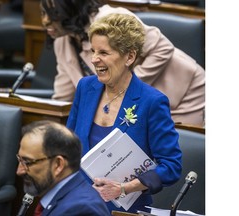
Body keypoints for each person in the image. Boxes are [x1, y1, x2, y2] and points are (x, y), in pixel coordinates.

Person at [66, 13, 182, 214]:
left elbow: (171, 166)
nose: (94, 59)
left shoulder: (152, 101)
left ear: (129, 56)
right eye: (93, 51)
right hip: (78, 203)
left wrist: (123, 188)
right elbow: (67, 145)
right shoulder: (86, 87)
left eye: (103, 52)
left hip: (122, 209)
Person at [40, 0, 205, 126]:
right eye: (42, 13)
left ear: (72, 6)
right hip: (143, 106)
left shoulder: (110, 19)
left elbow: (162, 48)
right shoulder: (63, 42)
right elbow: (64, 95)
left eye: (53, 12)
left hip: (184, 94)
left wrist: (125, 87)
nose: (45, 21)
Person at [16, 120, 110, 216]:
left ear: (58, 164)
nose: (19, 171)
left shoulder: (81, 210)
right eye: (19, 160)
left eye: (27, 162)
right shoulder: (65, 198)